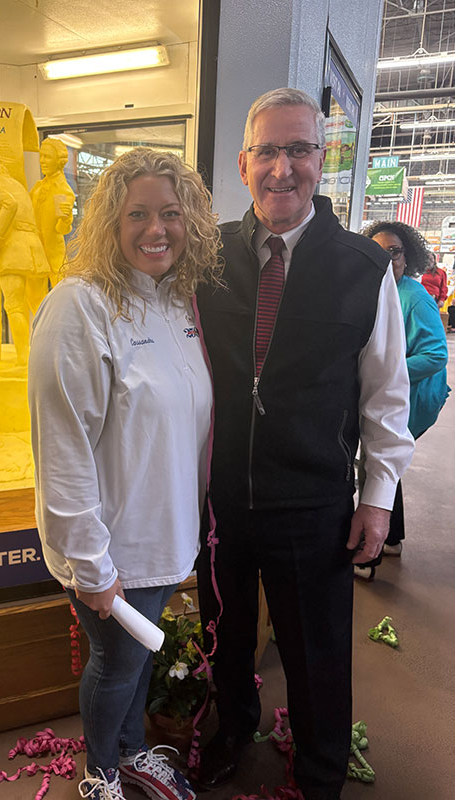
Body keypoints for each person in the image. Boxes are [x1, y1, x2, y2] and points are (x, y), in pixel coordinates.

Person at [193, 88, 415, 800]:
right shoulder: (209, 257)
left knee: (317, 652)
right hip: (222, 495)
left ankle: (319, 771)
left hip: (313, 498)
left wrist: (377, 502)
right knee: (225, 637)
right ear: (242, 162)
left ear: (323, 159)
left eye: (299, 150)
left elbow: (387, 396)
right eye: (268, 151)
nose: (282, 169)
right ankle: (231, 733)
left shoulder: (360, 268)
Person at [28, 147, 220, 800]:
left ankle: (133, 751)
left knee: (136, 662)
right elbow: (62, 447)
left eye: (171, 213)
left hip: (165, 536)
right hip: (110, 542)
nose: (155, 229)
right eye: (137, 213)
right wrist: (90, 561)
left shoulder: (175, 307)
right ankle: (101, 774)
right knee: (116, 666)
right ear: (109, 221)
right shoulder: (77, 307)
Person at [354, 221, 450, 577]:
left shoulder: (414, 296)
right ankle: (392, 540)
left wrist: (386, 372)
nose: (387, 258)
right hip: (401, 395)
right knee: (387, 470)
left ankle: (368, 558)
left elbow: (437, 354)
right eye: (378, 251)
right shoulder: (381, 289)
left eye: (394, 251)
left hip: (415, 400)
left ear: (407, 256)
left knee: (376, 462)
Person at [0, 148, 50, 369]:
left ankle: (23, 359)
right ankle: (46, 353)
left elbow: (9, 206)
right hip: (33, 248)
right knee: (40, 306)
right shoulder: (14, 184)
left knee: (15, 306)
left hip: (13, 249)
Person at [30, 137, 76, 286]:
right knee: (33, 291)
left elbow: (61, 230)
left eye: (47, 157)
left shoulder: (63, 191)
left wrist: (66, 218)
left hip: (53, 252)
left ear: (59, 161)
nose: (42, 161)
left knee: (60, 289)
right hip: (35, 249)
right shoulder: (37, 187)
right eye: (41, 156)